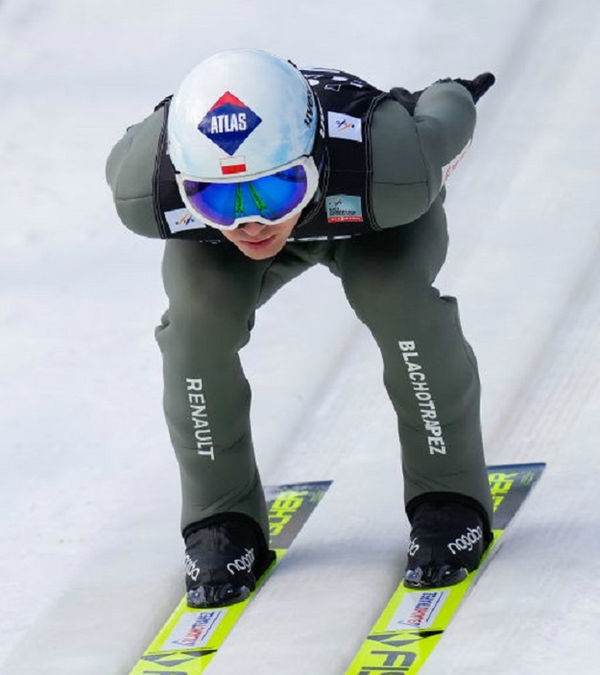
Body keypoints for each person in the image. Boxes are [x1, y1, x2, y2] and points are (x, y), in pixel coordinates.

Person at [104, 49, 497, 608]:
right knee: (196, 329)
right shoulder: (145, 185)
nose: (251, 222)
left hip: (367, 212)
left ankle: (450, 498)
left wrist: (451, 90)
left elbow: (441, 123)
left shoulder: (393, 163)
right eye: (216, 198)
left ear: (313, 157)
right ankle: (220, 519)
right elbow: (145, 138)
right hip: (289, 214)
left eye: (274, 191)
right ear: (181, 182)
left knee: (400, 305)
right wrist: (257, 201)